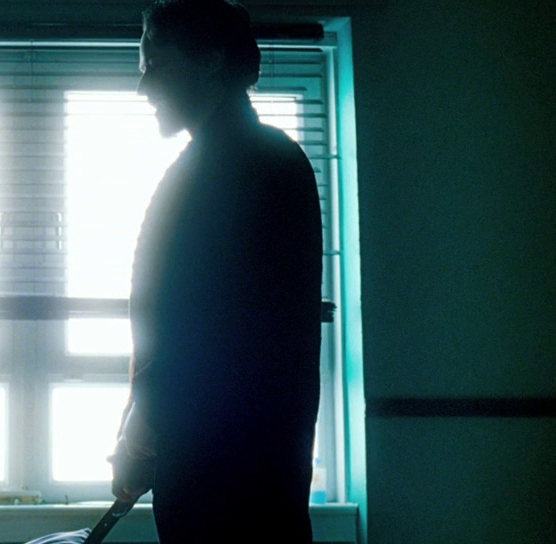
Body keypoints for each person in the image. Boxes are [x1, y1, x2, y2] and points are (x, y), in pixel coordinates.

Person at [108, 1, 323, 542]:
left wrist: (143, 426)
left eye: (155, 64)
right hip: (231, 474)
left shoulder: (249, 165)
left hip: (231, 484)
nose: (143, 85)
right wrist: (142, 423)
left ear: (209, 61)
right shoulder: (242, 159)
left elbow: (213, 324)